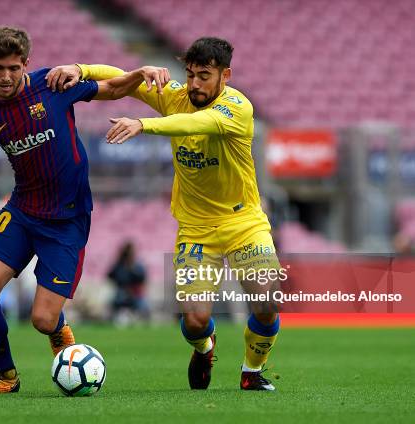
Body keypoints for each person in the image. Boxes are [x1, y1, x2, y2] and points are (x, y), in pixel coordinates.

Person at [48, 37, 282, 391]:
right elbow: (123, 78)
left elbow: (193, 125)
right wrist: (80, 69)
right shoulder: (177, 97)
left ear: (225, 76)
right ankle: (205, 349)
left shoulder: (237, 108)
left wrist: (144, 125)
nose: (195, 84)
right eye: (190, 75)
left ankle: (252, 372)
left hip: (244, 223)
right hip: (195, 229)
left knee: (266, 302)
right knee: (194, 321)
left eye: (204, 75)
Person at [0, 26, 169, 394]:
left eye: (13, 68)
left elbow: (111, 89)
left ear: (25, 65)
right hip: (22, 211)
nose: (5, 76)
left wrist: (138, 75)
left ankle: (59, 332)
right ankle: (5, 376)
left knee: (42, 319)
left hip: (67, 219)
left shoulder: (52, 85)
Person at [107, 241, 150, 322]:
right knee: (115, 301)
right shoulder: (119, 266)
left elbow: (142, 278)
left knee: (144, 306)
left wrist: (132, 270)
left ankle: (140, 320)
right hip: (122, 293)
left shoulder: (137, 266)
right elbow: (110, 275)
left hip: (135, 294)